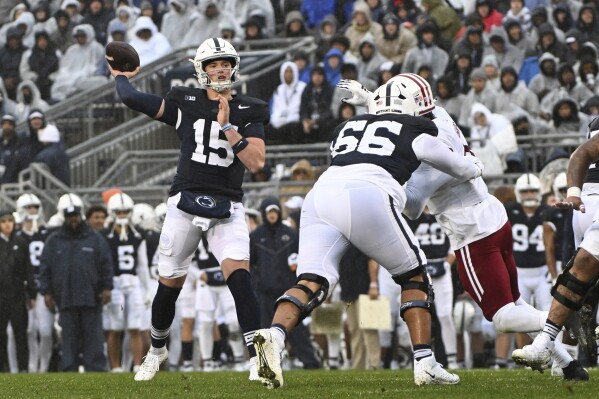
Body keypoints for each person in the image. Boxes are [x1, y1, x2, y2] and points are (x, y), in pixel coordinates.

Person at [337, 73, 588, 380]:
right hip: (494, 216)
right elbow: (400, 114)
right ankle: (568, 365)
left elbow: (414, 208)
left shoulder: (428, 151)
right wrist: (368, 99)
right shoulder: (438, 115)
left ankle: (562, 317)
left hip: (471, 231)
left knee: (502, 316)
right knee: (516, 303)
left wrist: (383, 183)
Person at [252, 79, 485, 389]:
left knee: (311, 281)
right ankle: (425, 361)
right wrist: (474, 162)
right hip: (368, 195)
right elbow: (463, 169)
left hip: (320, 195)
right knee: (414, 277)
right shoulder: (420, 130)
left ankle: (276, 337)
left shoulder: (345, 127)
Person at [109, 37, 268, 382]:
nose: (220, 68)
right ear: (201, 70)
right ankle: (156, 350)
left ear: (234, 67)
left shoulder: (249, 108)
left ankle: (259, 358)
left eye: (225, 62)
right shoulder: (185, 100)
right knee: (169, 284)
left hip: (228, 203)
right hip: (185, 200)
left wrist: (228, 127)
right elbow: (132, 98)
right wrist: (121, 75)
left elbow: (255, 162)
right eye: (213, 64)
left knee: (240, 278)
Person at [512, 117, 599, 372]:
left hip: (584, 202)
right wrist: (573, 192)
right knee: (579, 280)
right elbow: (583, 153)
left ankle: (552, 350)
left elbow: (582, 152)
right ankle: (559, 353)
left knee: (580, 278)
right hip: (588, 199)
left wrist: (574, 192)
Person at [39, 202, 113, 372]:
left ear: (81, 217)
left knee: (93, 337)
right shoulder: (54, 241)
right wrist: (47, 292)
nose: (73, 220)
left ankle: (95, 369)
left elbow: (106, 265)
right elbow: (45, 268)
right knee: (68, 339)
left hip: (91, 297)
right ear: (64, 219)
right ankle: (69, 369)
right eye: (69, 217)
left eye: (76, 216)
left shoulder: (94, 239)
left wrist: (106, 287)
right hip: (65, 297)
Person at [249, 197, 321, 371]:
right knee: (266, 329)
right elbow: (251, 264)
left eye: (274, 211)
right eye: (269, 212)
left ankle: (311, 363)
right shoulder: (256, 237)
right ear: (264, 214)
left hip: (288, 292)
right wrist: (257, 283)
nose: (272, 215)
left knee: (296, 329)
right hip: (265, 293)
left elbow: (301, 258)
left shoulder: (291, 234)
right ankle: (268, 365)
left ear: (279, 212)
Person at [102, 192, 151, 373]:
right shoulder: (105, 235)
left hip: (133, 283)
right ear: (112, 212)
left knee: (135, 326)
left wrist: (147, 289)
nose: (122, 215)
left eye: (125, 211)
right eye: (119, 212)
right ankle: (116, 367)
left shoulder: (138, 235)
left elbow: (143, 265)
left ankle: (137, 365)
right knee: (115, 327)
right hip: (114, 284)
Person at [14, 194, 55, 373]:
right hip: (23, 288)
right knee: (28, 330)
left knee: (46, 330)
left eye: (35, 207)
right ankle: (31, 366)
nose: (33, 211)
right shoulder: (16, 236)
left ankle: (43, 367)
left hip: (43, 287)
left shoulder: (47, 233)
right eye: (29, 207)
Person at [0, 207, 36, 373]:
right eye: (3, 221)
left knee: (21, 333)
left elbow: (28, 269)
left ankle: (23, 368)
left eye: (10, 221)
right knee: (1, 335)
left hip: (17, 295)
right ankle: (3, 368)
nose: (7, 225)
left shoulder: (20, 243)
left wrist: (32, 292)